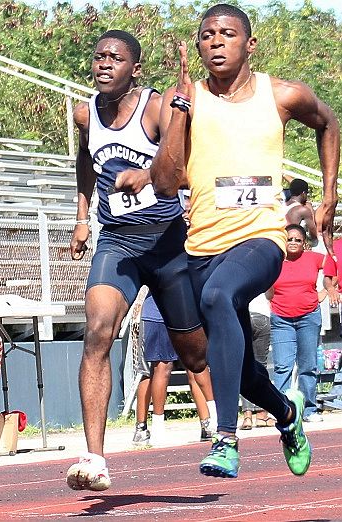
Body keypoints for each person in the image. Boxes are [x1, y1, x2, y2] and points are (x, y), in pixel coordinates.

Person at [151, 3, 338, 478]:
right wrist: (180, 111)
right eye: (207, 34)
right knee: (235, 362)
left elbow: (329, 122)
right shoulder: (184, 97)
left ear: (249, 44)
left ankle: (226, 438)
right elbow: (166, 184)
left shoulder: (281, 95)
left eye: (227, 34)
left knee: (218, 296)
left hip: (262, 238)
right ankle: (288, 414)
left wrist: (329, 195)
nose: (216, 42)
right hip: (203, 245)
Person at [66, 30, 208, 492]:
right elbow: (85, 163)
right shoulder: (85, 113)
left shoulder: (154, 107)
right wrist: (83, 216)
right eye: (99, 56)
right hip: (118, 242)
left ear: (135, 69)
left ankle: (231, 422)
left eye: (116, 58)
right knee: (97, 333)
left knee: (194, 353)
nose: (105, 64)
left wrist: (148, 177)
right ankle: (95, 458)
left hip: (167, 241)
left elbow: (181, 166)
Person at [133, 294, 215, 447]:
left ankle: (209, 422)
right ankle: (146, 427)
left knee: (195, 367)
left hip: (186, 314)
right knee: (158, 368)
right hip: (158, 313)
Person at [268, 224, 326, 423]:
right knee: (282, 366)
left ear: (304, 244)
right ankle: (283, 411)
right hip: (281, 319)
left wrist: (327, 290)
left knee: (307, 366)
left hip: (308, 318)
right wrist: (269, 295)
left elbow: (335, 265)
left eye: (297, 240)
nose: (293, 243)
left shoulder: (313, 258)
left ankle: (309, 410)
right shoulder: (274, 260)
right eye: (289, 239)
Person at [240, 294, 275, 429]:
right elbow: (270, 293)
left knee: (244, 366)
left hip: (242, 315)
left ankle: (247, 416)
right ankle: (261, 415)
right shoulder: (262, 272)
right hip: (261, 313)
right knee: (261, 367)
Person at [284, 179, 318, 246]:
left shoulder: (282, 205)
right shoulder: (303, 210)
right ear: (303, 193)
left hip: (281, 239)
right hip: (294, 242)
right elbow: (313, 232)